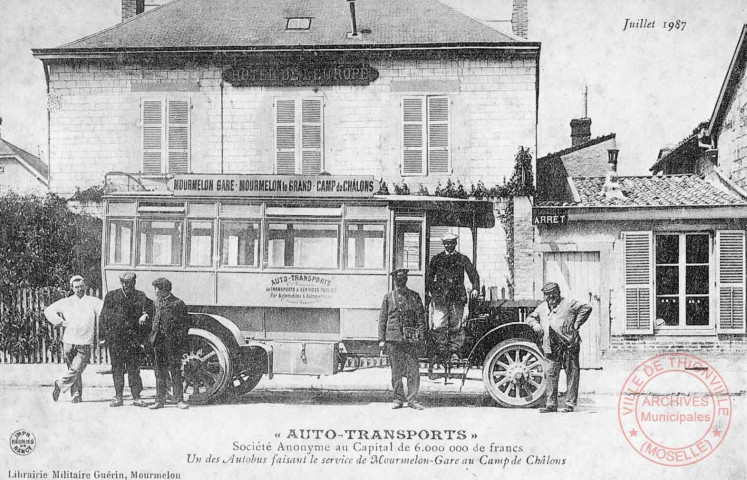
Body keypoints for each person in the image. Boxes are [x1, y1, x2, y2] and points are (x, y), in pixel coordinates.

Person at [527, 282, 592, 413]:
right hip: (551, 345)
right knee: (550, 374)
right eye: (548, 294)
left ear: (559, 293)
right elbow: (530, 317)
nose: (551, 297)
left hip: (569, 343)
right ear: (544, 295)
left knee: (572, 374)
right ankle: (551, 404)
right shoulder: (542, 307)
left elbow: (586, 307)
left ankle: (570, 404)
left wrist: (576, 324)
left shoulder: (569, 303)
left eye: (553, 293)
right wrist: (535, 324)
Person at [44, 275, 103, 403]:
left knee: (76, 369)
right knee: (73, 369)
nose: (79, 289)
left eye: (81, 286)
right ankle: (76, 395)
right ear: (72, 288)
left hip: (85, 341)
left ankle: (60, 383)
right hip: (69, 341)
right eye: (76, 287)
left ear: (85, 286)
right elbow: (48, 311)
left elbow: (105, 313)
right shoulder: (66, 301)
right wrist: (60, 322)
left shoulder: (93, 301)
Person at [100, 272, 154, 408]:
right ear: (121, 282)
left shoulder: (140, 296)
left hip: (133, 340)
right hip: (116, 340)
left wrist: (146, 314)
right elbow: (103, 317)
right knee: (117, 369)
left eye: (130, 283)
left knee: (134, 370)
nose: (127, 285)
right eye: (124, 282)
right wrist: (102, 337)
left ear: (134, 283)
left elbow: (151, 307)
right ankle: (119, 397)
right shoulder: (111, 296)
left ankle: (136, 397)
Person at [426, 232, 480, 364]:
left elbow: (473, 274)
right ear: (443, 244)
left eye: (451, 243)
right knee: (439, 324)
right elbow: (428, 277)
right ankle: (441, 351)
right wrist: (433, 291)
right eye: (446, 243)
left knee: (456, 326)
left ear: (455, 243)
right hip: (440, 299)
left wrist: (475, 288)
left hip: (457, 298)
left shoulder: (462, 258)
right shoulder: (436, 259)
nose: (449, 245)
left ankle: (454, 352)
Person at [378, 268, 427, 410]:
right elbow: (383, 319)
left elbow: (420, 319)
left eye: (402, 279)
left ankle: (412, 400)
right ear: (394, 281)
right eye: (398, 280)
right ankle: (398, 399)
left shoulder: (414, 296)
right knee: (396, 371)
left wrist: (422, 338)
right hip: (393, 340)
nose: (400, 282)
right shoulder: (388, 297)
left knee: (413, 371)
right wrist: (381, 339)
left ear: (406, 280)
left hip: (411, 341)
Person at [148, 277, 190, 410]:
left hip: (172, 344)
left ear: (163, 289)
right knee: (159, 373)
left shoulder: (178, 303)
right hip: (158, 343)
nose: (154, 291)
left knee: (175, 371)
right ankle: (160, 401)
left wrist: (178, 342)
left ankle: (179, 400)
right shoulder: (156, 302)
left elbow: (184, 326)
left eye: (156, 288)